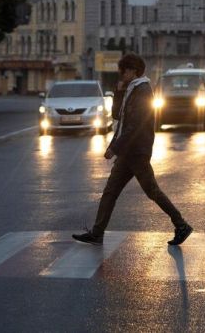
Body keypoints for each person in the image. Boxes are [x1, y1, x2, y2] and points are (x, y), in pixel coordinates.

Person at [73, 53, 192, 247]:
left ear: (133, 71)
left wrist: (114, 147)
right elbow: (117, 116)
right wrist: (118, 93)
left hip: (136, 152)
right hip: (127, 152)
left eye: (123, 71)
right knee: (110, 191)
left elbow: (135, 125)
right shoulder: (130, 89)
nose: (121, 74)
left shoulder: (143, 90)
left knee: (152, 191)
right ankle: (97, 233)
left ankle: (181, 225)